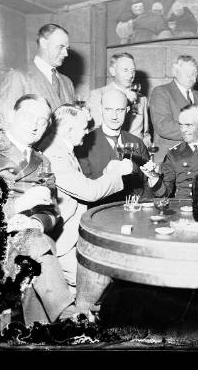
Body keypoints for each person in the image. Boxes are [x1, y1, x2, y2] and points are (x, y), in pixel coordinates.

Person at [0, 94, 81, 325]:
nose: (34, 124)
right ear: (12, 115)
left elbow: (53, 210)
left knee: (35, 241)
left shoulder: (43, 162)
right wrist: (17, 207)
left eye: (42, 121)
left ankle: (38, 333)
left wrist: (37, 222)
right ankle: (68, 315)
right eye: (28, 116)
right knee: (36, 245)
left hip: (31, 240)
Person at [43, 104, 133, 286]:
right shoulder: (55, 154)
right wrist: (119, 174)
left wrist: (108, 172)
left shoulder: (64, 148)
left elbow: (80, 187)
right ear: (69, 130)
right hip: (62, 243)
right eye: (84, 127)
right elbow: (89, 193)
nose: (87, 132)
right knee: (98, 283)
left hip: (72, 235)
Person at [76, 89, 151, 207]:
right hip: (100, 212)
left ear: (127, 110)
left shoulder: (137, 143)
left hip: (134, 211)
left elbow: (147, 183)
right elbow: (83, 187)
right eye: (108, 110)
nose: (114, 116)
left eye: (119, 110)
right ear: (101, 110)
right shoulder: (84, 143)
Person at [0, 24, 76, 132]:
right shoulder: (18, 77)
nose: (66, 53)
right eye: (61, 47)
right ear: (43, 43)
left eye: (67, 48)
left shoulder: (67, 82)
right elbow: (6, 123)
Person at [149, 55, 198, 164]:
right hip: (170, 160)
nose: (193, 78)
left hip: (197, 160)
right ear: (175, 72)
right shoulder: (161, 92)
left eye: (195, 74)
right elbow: (163, 126)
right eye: (188, 74)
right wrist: (196, 131)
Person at [87, 52, 151, 145]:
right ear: (112, 71)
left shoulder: (142, 99)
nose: (130, 75)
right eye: (125, 70)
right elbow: (96, 129)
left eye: (133, 71)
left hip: (137, 154)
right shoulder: (97, 95)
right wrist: (126, 101)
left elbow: (145, 132)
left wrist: (147, 143)